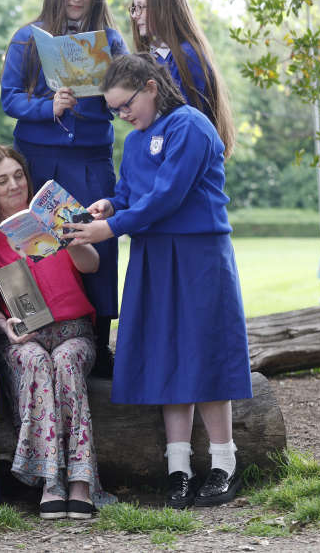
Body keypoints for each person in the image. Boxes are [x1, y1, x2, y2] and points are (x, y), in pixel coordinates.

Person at [64, 54, 252, 509]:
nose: (123, 116)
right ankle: (179, 469)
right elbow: (131, 194)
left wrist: (110, 229)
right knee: (168, 353)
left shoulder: (190, 125)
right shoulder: (133, 142)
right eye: (115, 111)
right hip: (152, 256)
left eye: (126, 105)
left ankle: (224, 464)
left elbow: (168, 195)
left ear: (151, 87)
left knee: (203, 352)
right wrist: (110, 205)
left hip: (197, 253)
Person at [0, 145, 116, 520]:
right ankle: (51, 481)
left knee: (66, 361)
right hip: (23, 337)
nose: (14, 184)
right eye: (2, 180)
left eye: (18, 175)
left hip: (73, 331)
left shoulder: (54, 215)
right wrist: (5, 327)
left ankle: (82, 483)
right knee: (35, 361)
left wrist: (73, 239)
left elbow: (92, 265)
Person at [0, 0, 127, 378]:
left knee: (97, 245)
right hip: (40, 159)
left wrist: (97, 93)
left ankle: (100, 343)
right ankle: (41, 332)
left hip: (91, 160)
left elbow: (124, 96)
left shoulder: (110, 41)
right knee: (41, 248)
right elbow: (9, 98)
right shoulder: (26, 37)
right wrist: (46, 105)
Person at [129, 0, 236, 157]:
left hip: (182, 168)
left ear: (165, 9)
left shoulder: (187, 58)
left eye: (142, 8)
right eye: (134, 8)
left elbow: (184, 131)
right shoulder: (155, 58)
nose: (135, 15)